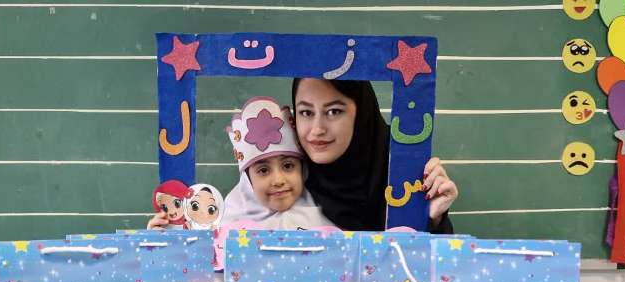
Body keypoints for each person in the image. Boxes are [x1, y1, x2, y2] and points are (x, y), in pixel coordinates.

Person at [291, 78, 458, 232]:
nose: (317, 130)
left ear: (362, 112)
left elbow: (427, 253)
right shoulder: (286, 174)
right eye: (306, 112)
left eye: (334, 111)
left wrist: (431, 220)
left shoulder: (402, 168)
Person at [148, 96, 333, 230]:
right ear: (248, 180)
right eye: (263, 170)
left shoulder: (328, 214)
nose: (278, 180)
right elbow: (196, 264)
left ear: (303, 170)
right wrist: (163, 239)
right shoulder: (227, 222)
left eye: (288, 166)